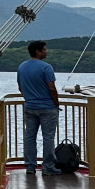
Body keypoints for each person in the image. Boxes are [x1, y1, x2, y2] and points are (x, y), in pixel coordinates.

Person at [17, 40, 60, 175]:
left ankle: (30, 166)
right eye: (45, 49)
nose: (47, 51)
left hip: (29, 106)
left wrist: (29, 98)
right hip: (47, 107)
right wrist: (56, 103)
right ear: (38, 51)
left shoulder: (22, 67)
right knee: (48, 137)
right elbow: (52, 88)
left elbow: (20, 87)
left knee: (29, 136)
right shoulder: (46, 67)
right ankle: (48, 167)